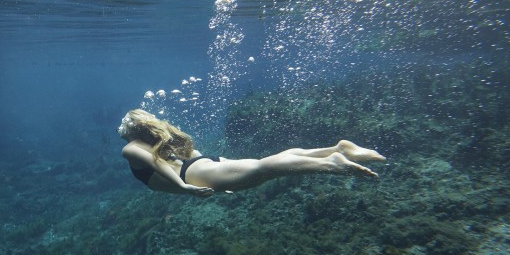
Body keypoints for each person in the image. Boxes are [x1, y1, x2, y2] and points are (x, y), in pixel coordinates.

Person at [118, 109, 385, 197]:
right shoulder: (156, 142)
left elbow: (158, 165)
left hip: (196, 174)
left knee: (265, 168)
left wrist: (184, 187)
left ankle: (332, 163)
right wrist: (218, 178)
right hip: (205, 166)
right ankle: (335, 149)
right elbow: (188, 155)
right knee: (263, 167)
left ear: (132, 129)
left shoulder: (131, 148)